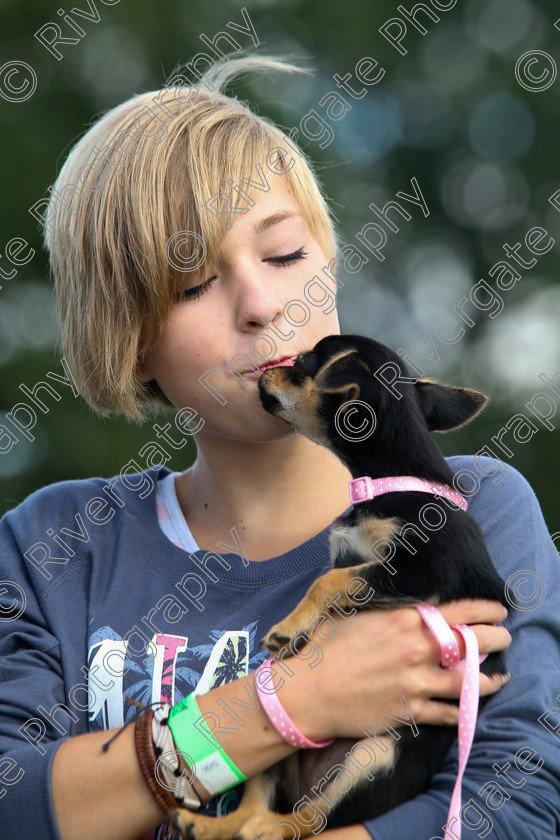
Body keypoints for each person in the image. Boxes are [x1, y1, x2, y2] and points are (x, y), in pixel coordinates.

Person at [0, 55, 558, 840]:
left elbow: (519, 807)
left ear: (329, 264)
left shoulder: (469, 511)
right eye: (193, 285)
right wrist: (290, 701)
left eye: (285, 254)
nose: (261, 305)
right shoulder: (53, 545)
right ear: (125, 340)